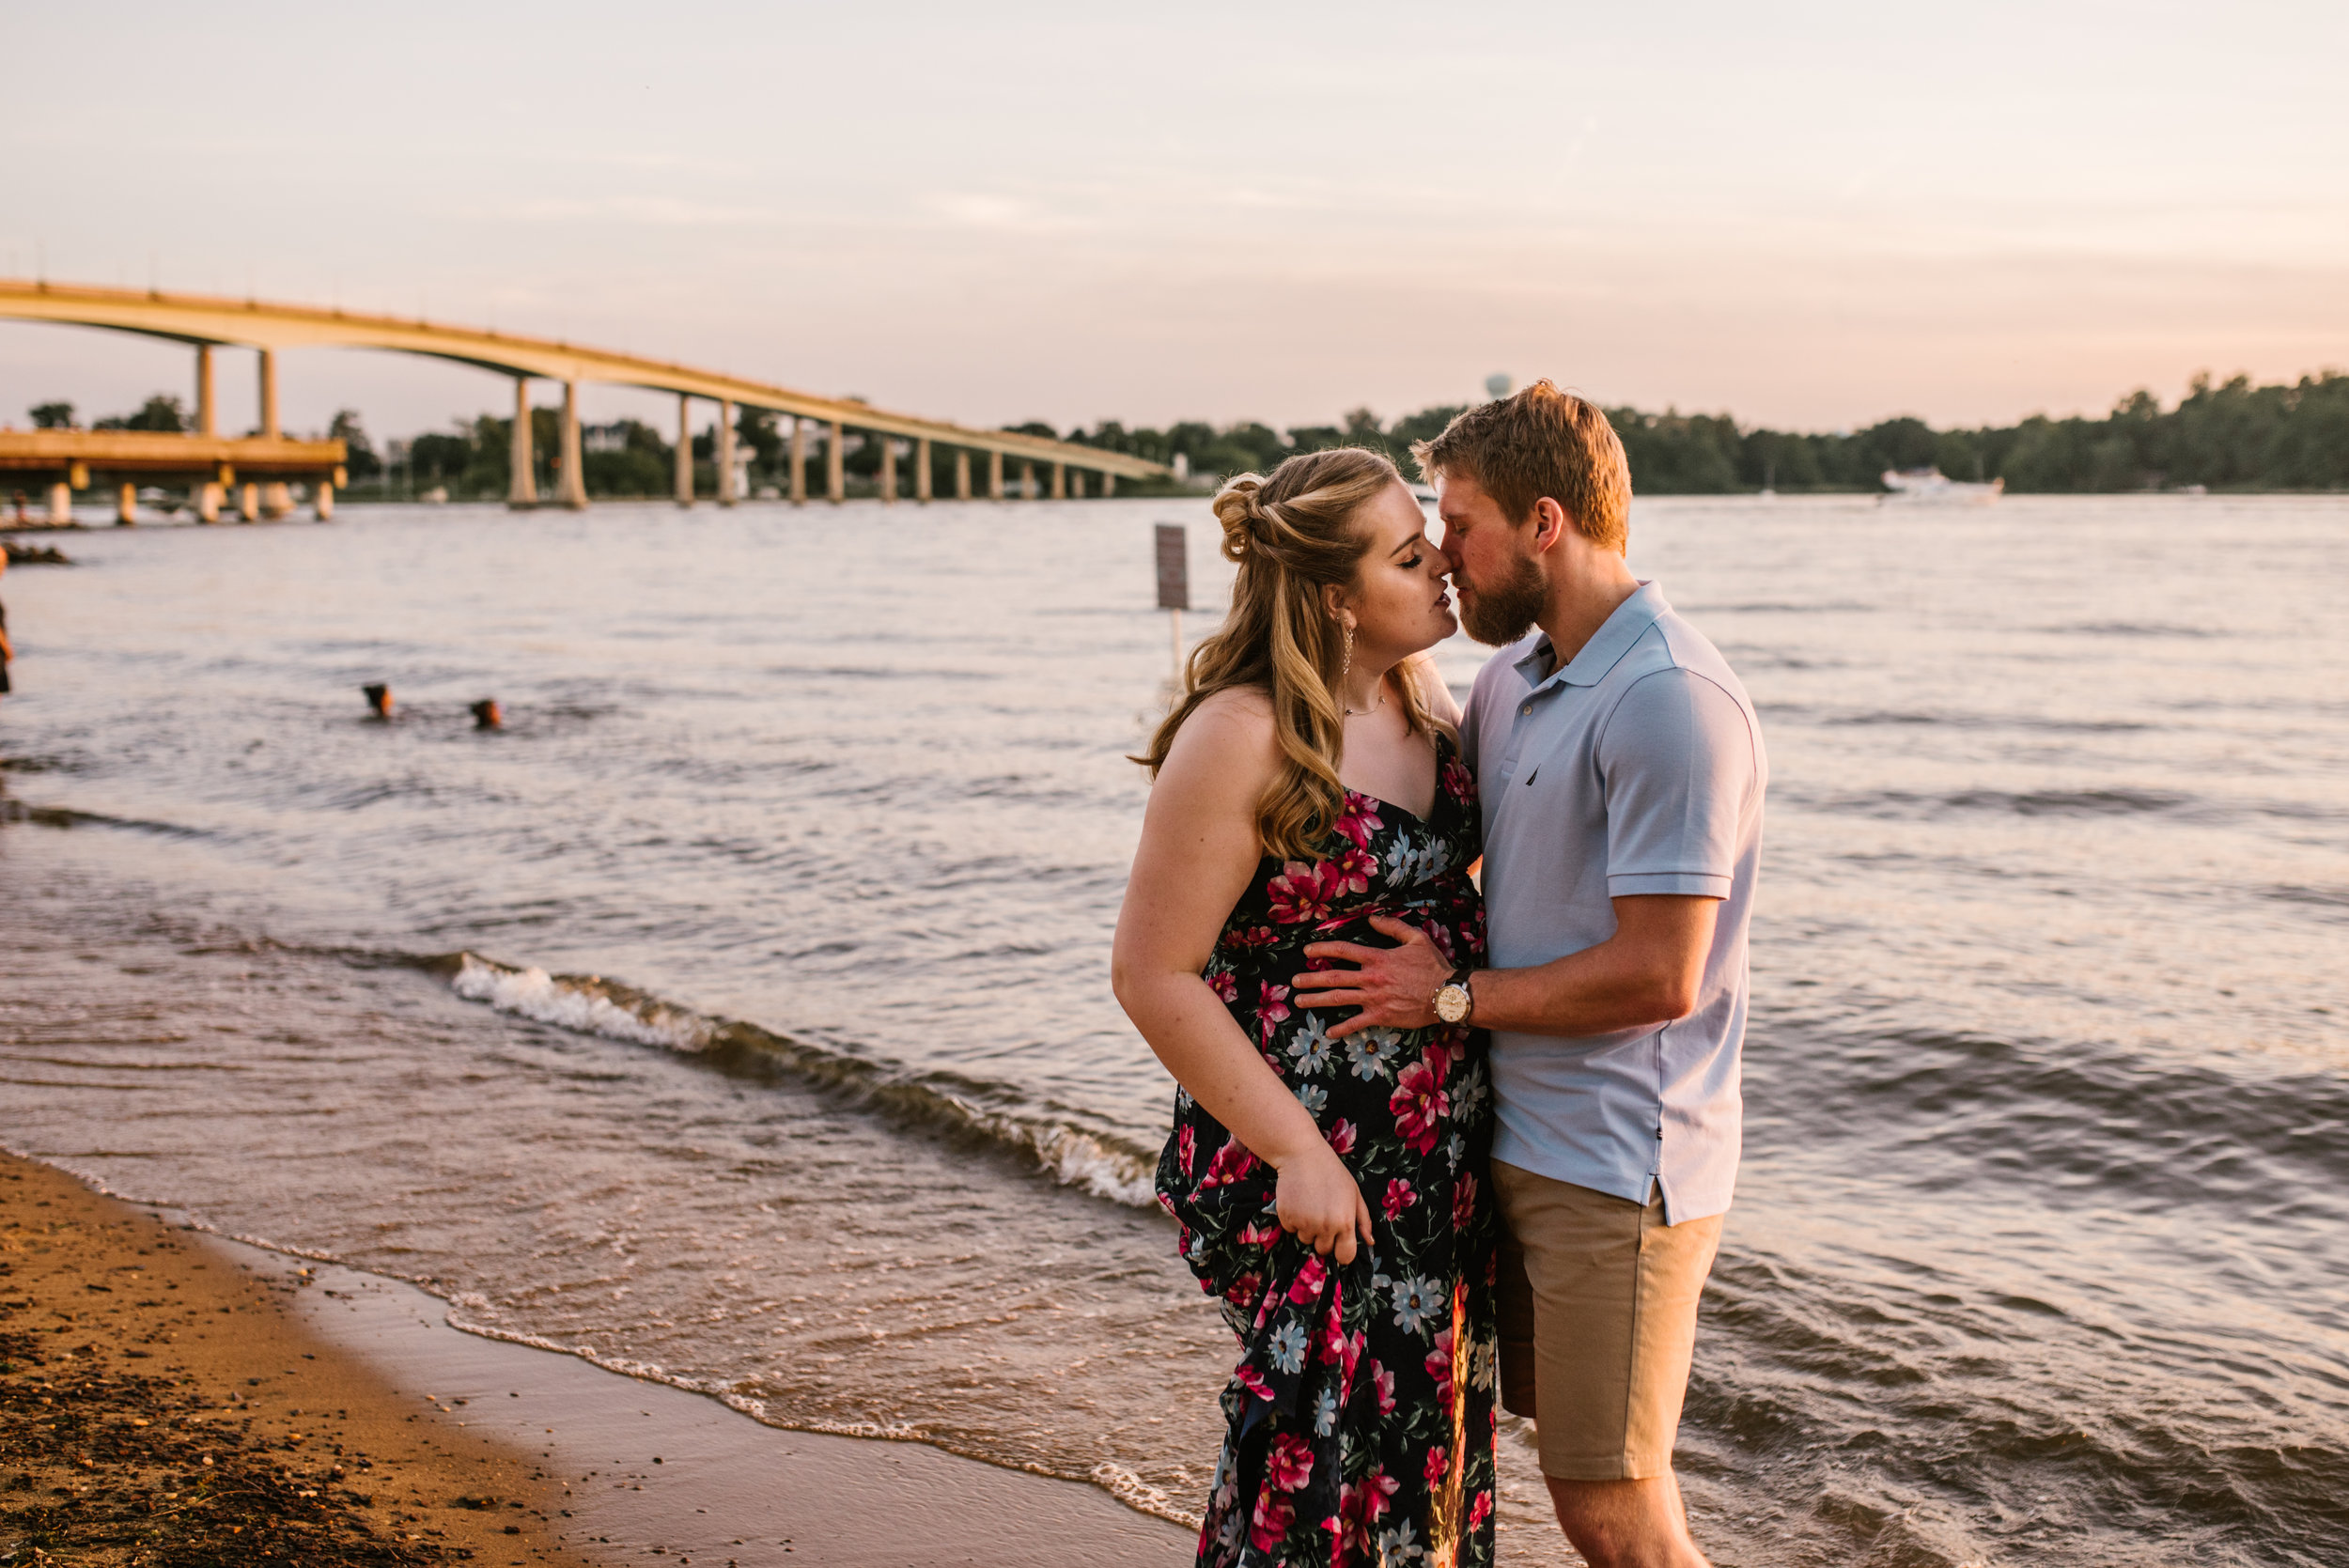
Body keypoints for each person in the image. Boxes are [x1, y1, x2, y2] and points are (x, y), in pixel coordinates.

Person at [1290, 383, 1766, 1568]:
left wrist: (1445, 997)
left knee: (1611, 1500)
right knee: (1567, 1464)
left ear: (1542, 523)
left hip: (1617, 1160)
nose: (1444, 556)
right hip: (1505, 1140)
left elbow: (1663, 974)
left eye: (1459, 524)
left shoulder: (1668, 701)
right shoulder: (1510, 681)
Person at [1112, 447, 1499, 1568]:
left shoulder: (1419, 702)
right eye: (1408, 554)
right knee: (1310, 1461)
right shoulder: (1241, 734)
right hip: (1311, 1156)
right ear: (1335, 596)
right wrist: (1298, 1153)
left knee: (1420, 1455)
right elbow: (1152, 973)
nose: (1442, 568)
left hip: (1430, 1162)